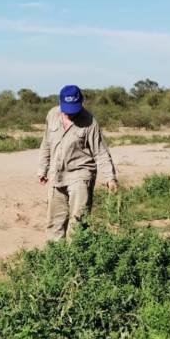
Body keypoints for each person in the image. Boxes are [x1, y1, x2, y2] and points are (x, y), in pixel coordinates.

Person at [38, 85, 118, 239]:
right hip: (57, 174)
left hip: (80, 174)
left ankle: (76, 259)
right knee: (54, 222)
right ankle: (55, 260)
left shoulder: (90, 121)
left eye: (74, 109)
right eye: (67, 109)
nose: (70, 113)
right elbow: (46, 143)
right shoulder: (52, 115)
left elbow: (100, 152)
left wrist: (110, 177)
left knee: (78, 223)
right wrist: (43, 169)